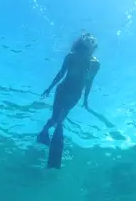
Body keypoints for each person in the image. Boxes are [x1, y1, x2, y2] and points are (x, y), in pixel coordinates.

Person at [38, 33, 100, 169]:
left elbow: (89, 82)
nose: (85, 52)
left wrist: (85, 99)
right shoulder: (71, 56)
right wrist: (49, 88)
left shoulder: (95, 64)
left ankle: (43, 134)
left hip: (75, 95)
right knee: (57, 118)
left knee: (58, 119)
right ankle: (46, 137)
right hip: (63, 91)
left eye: (89, 49)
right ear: (80, 46)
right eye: (83, 48)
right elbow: (61, 73)